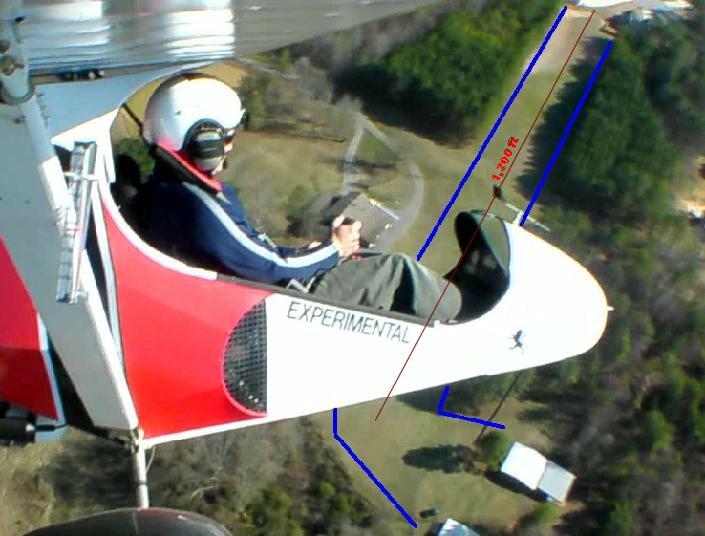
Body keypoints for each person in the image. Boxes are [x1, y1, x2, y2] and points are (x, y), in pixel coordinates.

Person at [140, 74, 462, 321]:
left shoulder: (169, 191)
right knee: (394, 271)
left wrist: (311, 252)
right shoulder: (199, 207)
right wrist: (334, 249)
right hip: (274, 307)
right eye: (227, 137)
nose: (231, 146)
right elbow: (268, 267)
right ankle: (466, 315)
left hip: (258, 293)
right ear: (205, 142)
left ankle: (448, 299)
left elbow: (252, 256)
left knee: (366, 260)